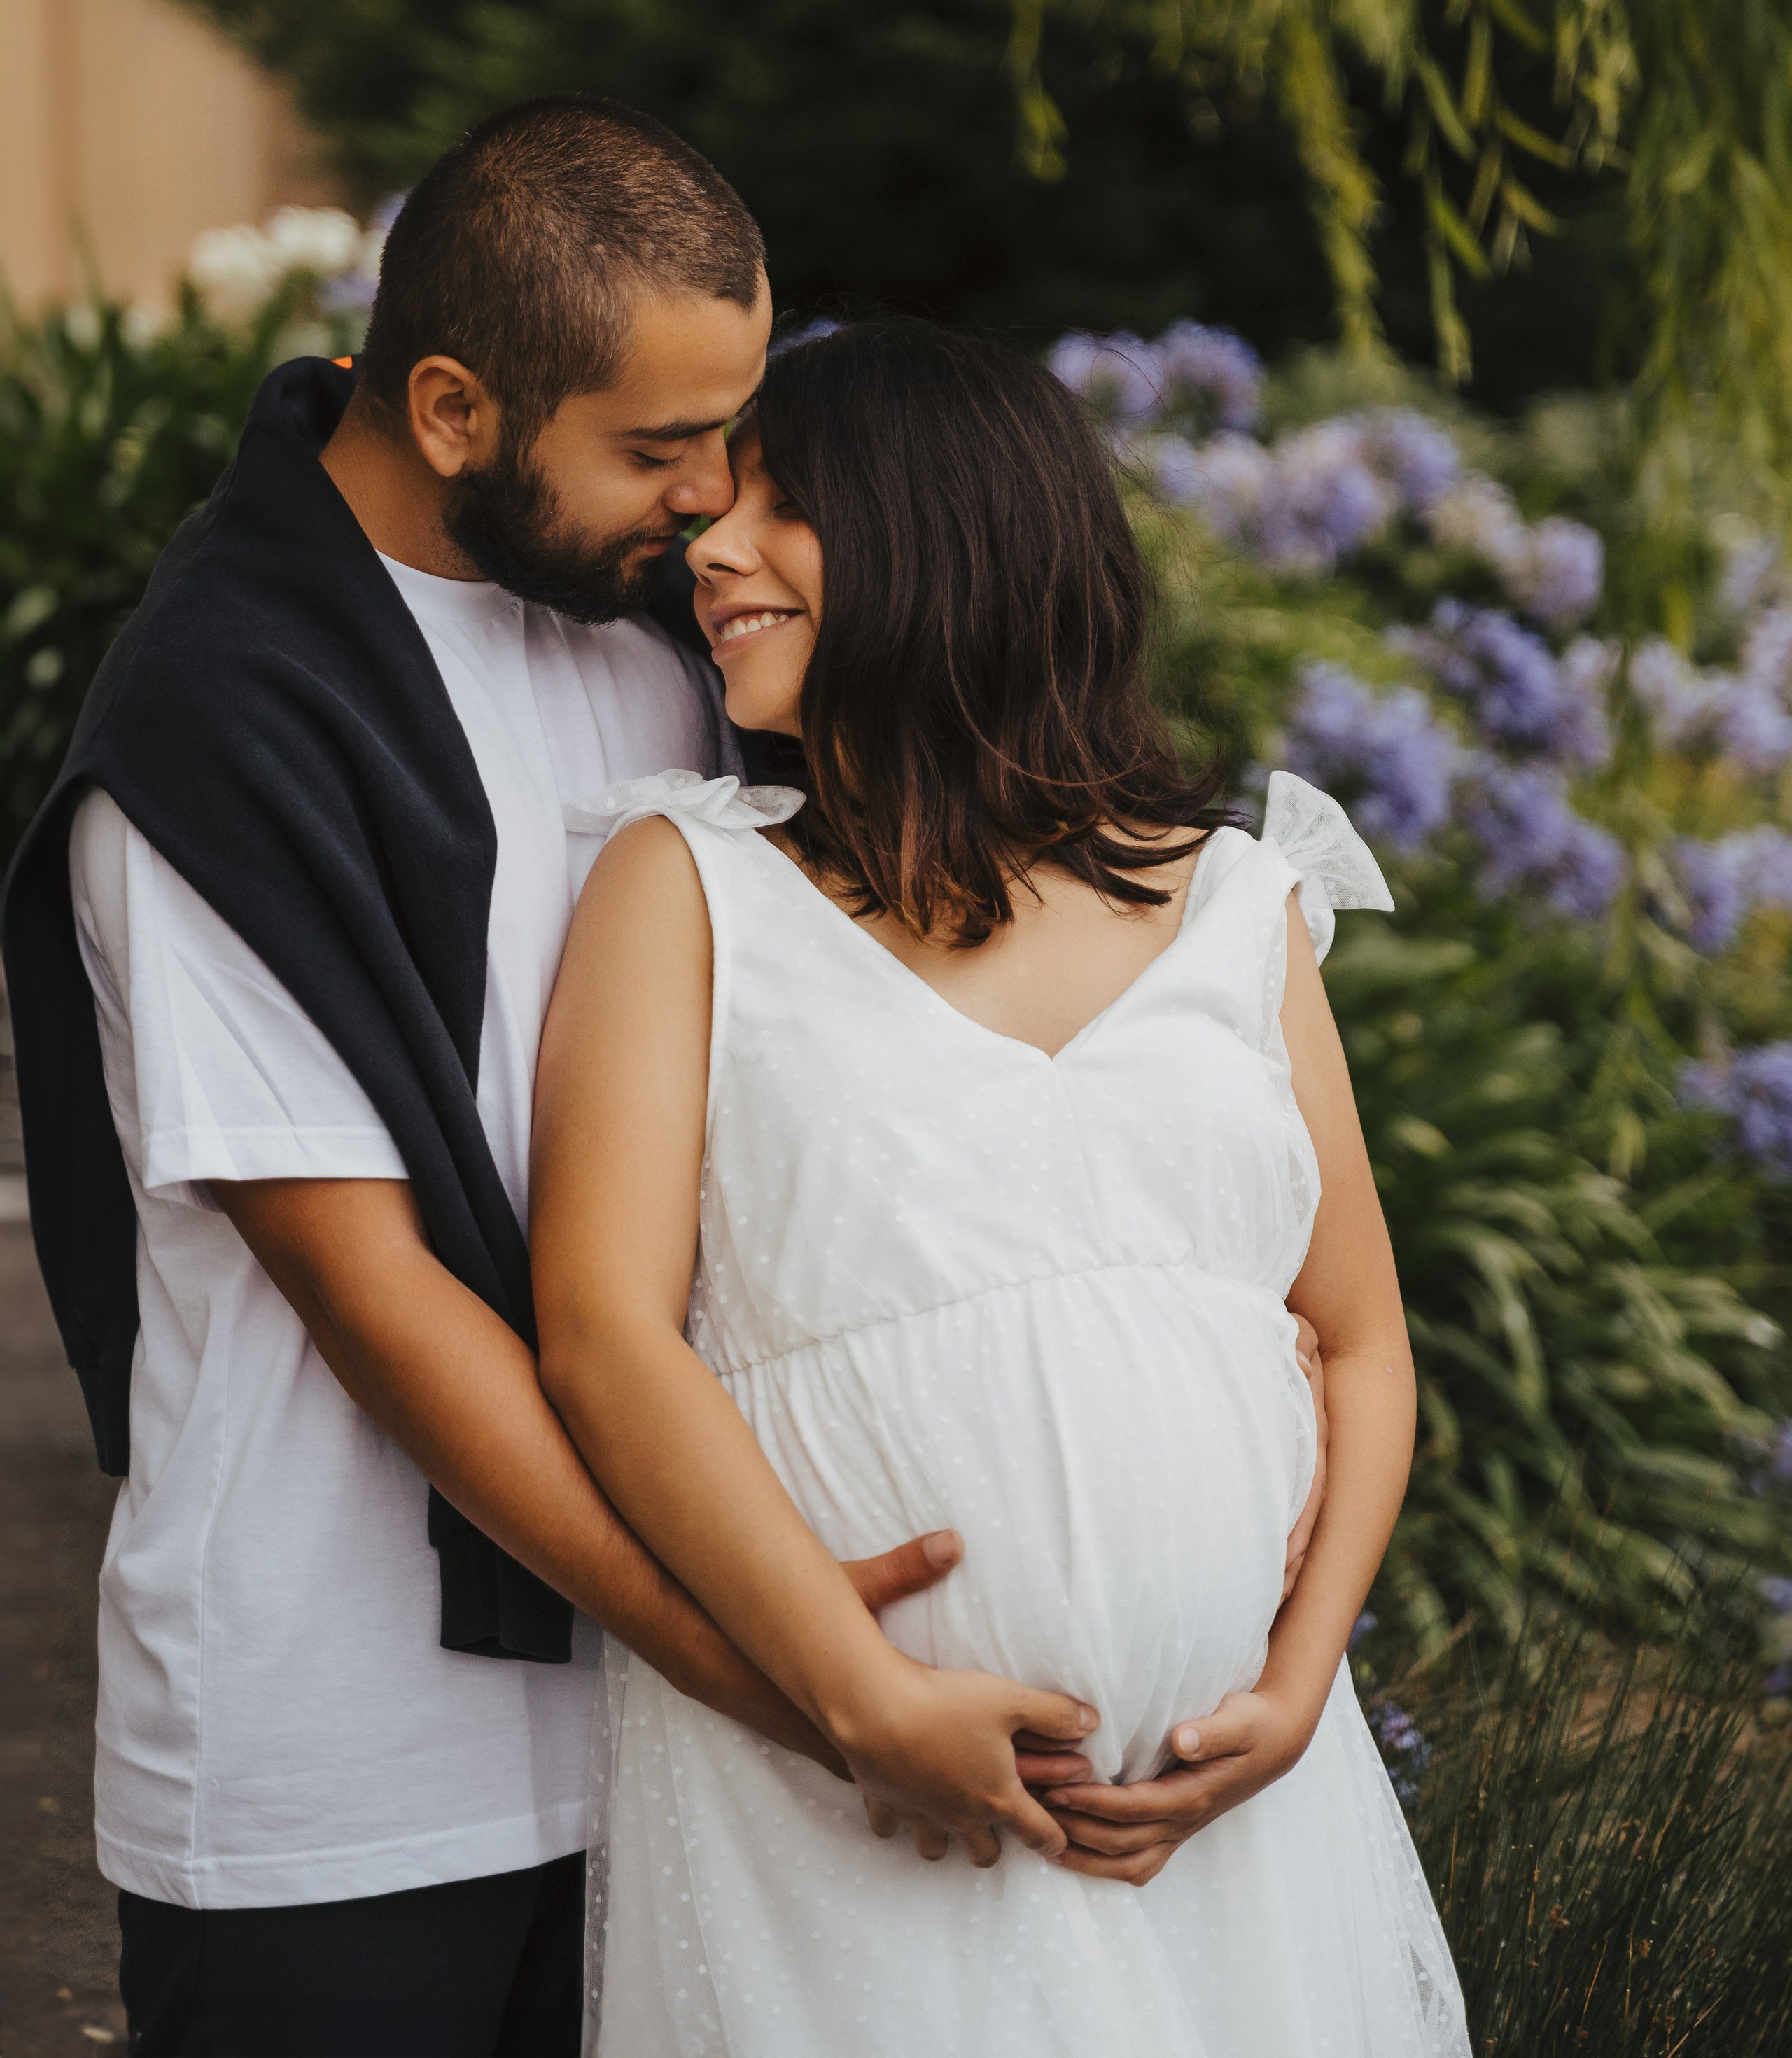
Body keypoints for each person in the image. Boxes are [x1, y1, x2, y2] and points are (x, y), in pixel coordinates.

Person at [1, 102, 971, 2058]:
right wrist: (787, 1670)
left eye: (732, 432)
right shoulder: (220, 732)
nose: (711, 502)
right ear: (451, 407)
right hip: (341, 1781)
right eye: (654, 448)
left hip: (668, 1765)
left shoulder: (674, 645)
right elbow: (378, 1305)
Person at [531, 320, 1471, 2057]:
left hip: (1233, 1834)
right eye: (716, 510)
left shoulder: (1237, 906)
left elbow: (1353, 1340)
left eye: (780, 506)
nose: (709, 547)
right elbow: (600, 1334)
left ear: (942, 537)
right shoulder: (685, 886)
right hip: (856, 1811)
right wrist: (859, 1689)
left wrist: (1291, 1686)